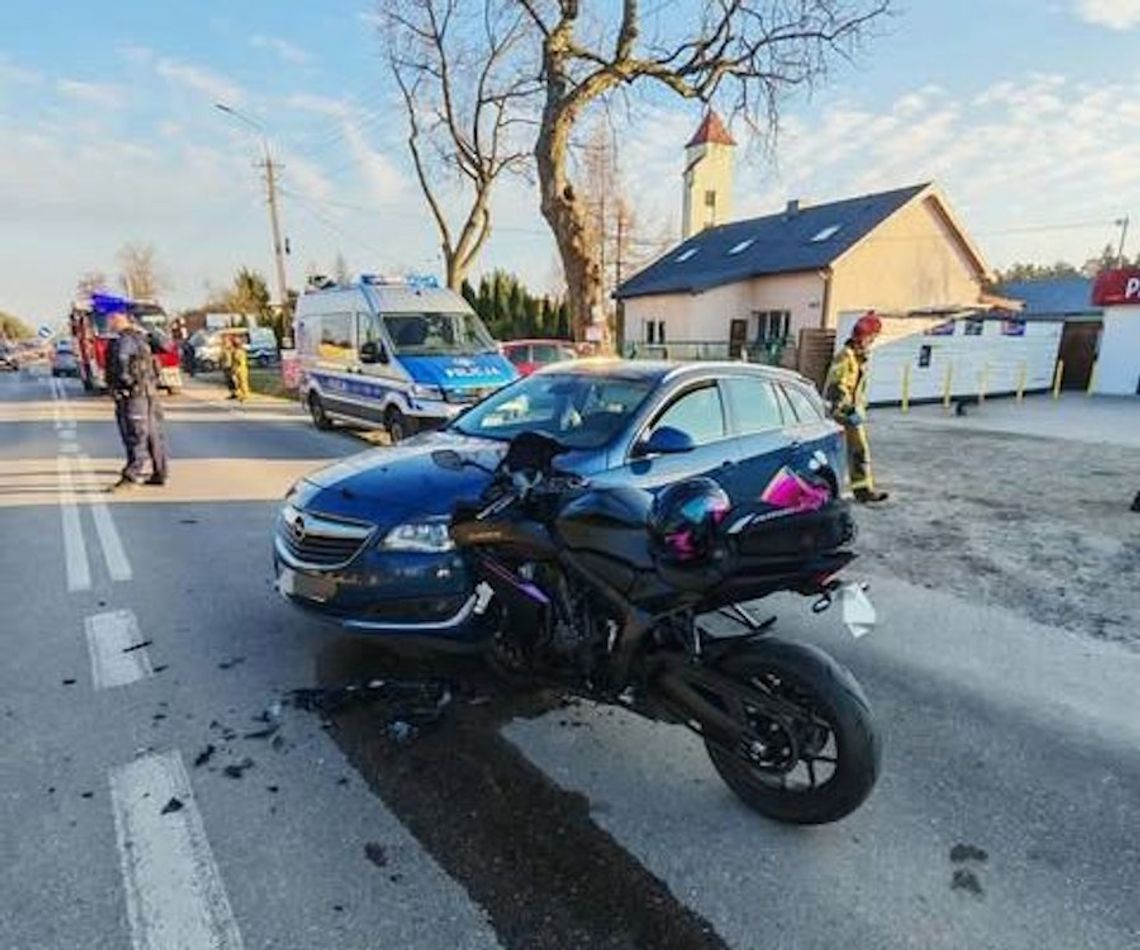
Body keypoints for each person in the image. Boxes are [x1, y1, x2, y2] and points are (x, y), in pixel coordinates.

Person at [825, 312, 888, 504]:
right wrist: (847, 410)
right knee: (854, 451)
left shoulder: (857, 357)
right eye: (872, 338)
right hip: (843, 414)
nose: (872, 342)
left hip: (849, 412)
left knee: (853, 451)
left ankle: (861, 490)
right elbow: (836, 387)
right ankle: (860, 490)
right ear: (864, 337)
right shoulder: (846, 357)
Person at [105, 312, 168, 491]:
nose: (110, 323)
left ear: (120, 320)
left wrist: (123, 386)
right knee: (153, 435)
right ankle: (160, 472)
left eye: (112, 319)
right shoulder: (142, 338)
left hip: (134, 395)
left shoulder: (124, 341)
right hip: (149, 393)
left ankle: (132, 476)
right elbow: (166, 347)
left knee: (136, 434)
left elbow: (121, 366)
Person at [230, 334, 250, 402]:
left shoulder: (240, 351)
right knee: (237, 383)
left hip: (241, 369)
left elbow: (239, 361)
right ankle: (240, 395)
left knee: (243, 382)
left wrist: (236, 368)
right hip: (237, 369)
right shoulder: (235, 351)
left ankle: (245, 395)